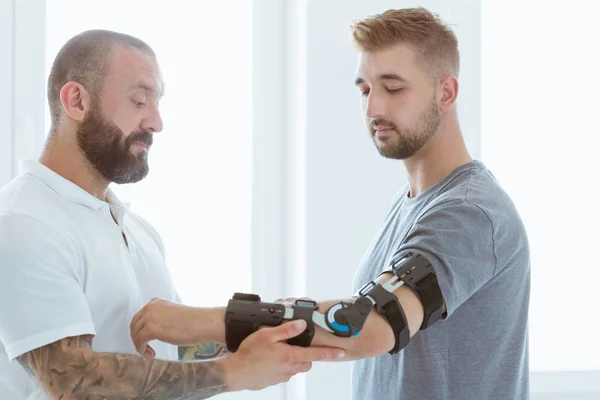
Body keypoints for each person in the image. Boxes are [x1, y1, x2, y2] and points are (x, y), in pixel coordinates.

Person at [129, 7, 531, 400]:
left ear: (446, 92)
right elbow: (344, 321)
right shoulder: (413, 204)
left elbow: (371, 322)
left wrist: (199, 321)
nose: (374, 107)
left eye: (393, 88)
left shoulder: (470, 213)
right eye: (365, 89)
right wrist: (198, 346)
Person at [0, 30, 344, 400]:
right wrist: (233, 372)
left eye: (157, 102)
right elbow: (72, 381)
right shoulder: (24, 222)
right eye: (139, 101)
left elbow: (170, 352)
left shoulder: (135, 230)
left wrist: (255, 333)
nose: (156, 122)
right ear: (77, 101)